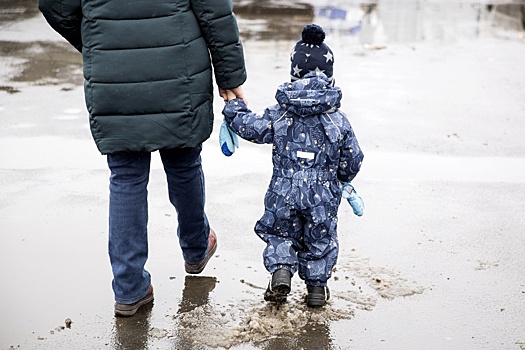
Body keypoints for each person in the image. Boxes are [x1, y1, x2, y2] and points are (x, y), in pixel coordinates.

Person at [37, 0, 247, 316]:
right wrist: (230, 75)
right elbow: (213, 9)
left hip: (112, 69)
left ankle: (129, 288)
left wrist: (98, 38)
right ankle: (196, 246)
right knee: (183, 161)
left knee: (126, 175)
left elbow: (55, 5)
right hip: (179, 67)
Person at [222, 24, 364, 307]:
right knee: (319, 239)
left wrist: (234, 108)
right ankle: (315, 290)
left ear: (294, 73)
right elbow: (353, 158)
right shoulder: (338, 120)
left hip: (283, 190)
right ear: (330, 78)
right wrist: (342, 178)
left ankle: (282, 273)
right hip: (323, 194)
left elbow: (251, 128)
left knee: (279, 232)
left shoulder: (280, 113)